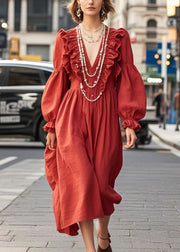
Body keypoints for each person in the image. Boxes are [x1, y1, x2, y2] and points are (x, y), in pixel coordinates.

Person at [41, 0, 146, 251]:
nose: (90, 1)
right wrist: (52, 124)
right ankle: (90, 249)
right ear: (76, 2)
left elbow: (128, 80)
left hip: (106, 115)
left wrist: (129, 121)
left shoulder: (118, 38)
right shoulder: (65, 38)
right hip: (71, 115)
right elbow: (59, 82)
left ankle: (104, 234)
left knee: (101, 184)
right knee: (82, 183)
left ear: (104, 2)